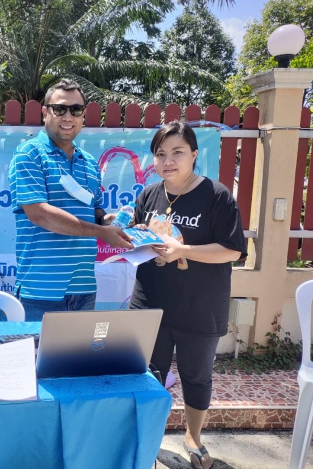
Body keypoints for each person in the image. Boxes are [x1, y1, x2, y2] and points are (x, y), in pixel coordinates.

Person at [129, 121, 247, 469]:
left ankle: (193, 438)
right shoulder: (149, 195)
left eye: (177, 152)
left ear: (194, 155)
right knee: (148, 375)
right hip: (150, 303)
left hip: (199, 305)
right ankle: (148, 440)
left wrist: (183, 251)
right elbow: (141, 235)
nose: (168, 161)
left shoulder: (216, 195)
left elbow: (232, 250)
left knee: (196, 376)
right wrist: (136, 233)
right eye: (161, 154)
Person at [7, 79, 133, 321]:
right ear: (45, 112)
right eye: (59, 109)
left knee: (80, 349)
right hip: (40, 291)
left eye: (75, 110)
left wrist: (110, 220)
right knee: (37, 349)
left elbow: (95, 211)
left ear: (83, 114)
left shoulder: (89, 162)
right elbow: (39, 214)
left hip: (84, 289)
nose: (68, 116)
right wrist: (101, 232)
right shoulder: (29, 154)